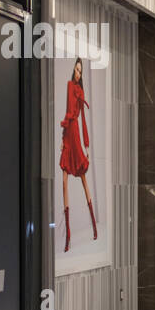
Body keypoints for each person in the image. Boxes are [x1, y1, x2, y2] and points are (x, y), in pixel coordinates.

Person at [59, 58, 97, 252]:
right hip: (68, 136)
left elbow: (82, 120)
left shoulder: (81, 91)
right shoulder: (69, 86)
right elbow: (68, 112)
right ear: (73, 69)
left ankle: (94, 225)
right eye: (77, 69)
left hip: (76, 137)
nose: (78, 73)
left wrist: (87, 146)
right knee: (64, 182)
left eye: (81, 71)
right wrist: (62, 139)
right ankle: (68, 235)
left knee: (83, 180)